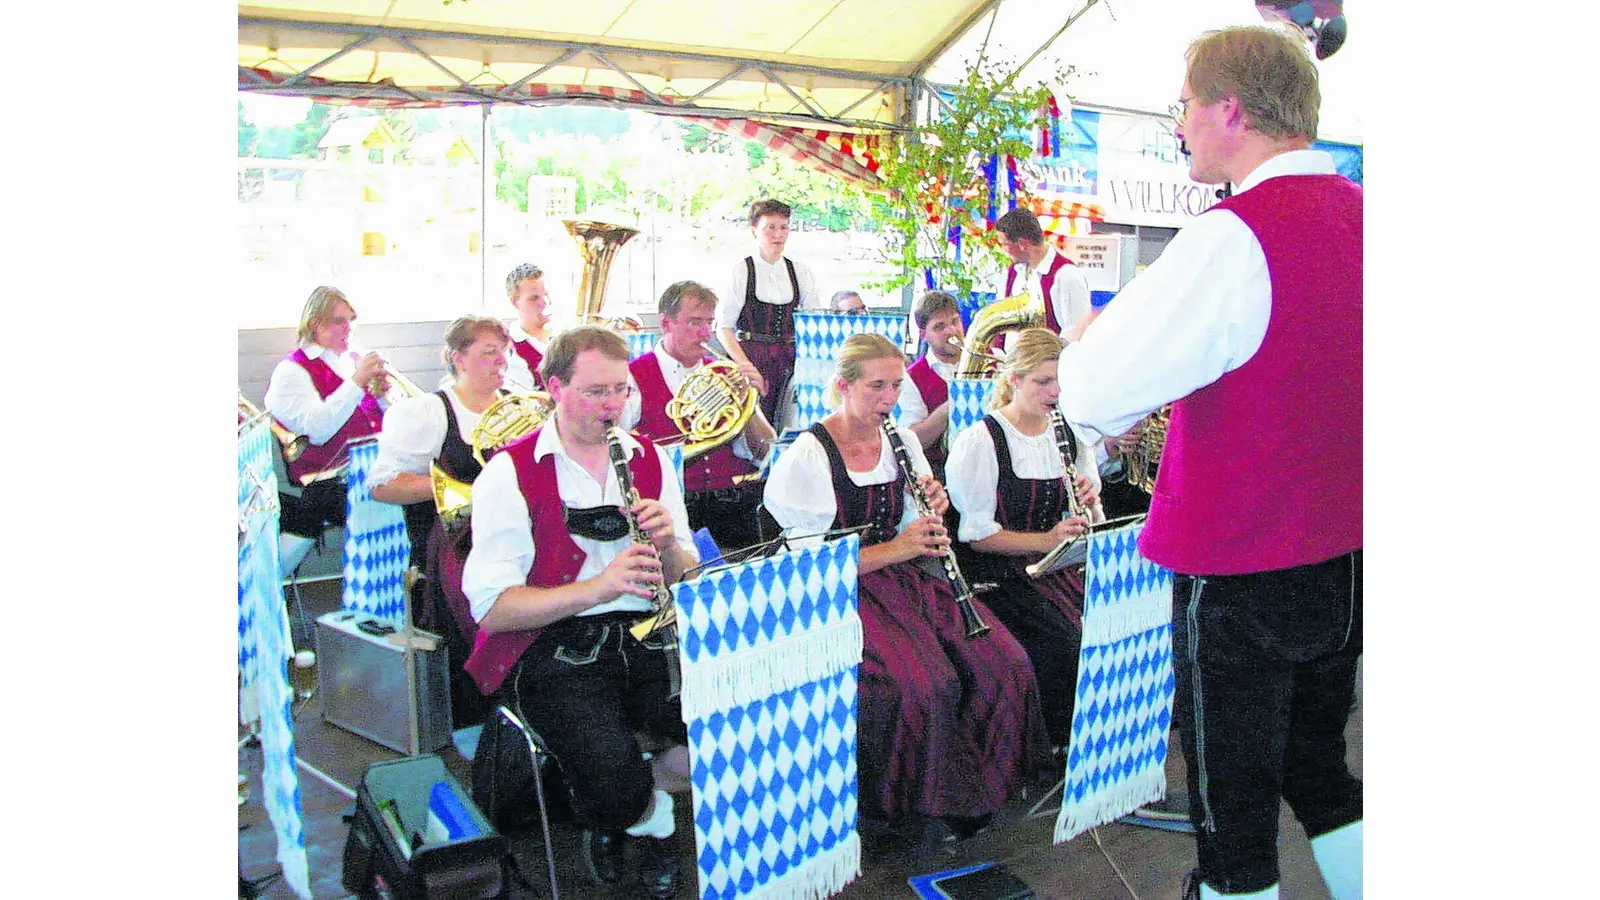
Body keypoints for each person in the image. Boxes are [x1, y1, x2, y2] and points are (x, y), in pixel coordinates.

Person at [1056, 27, 1362, 900]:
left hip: (1246, 566)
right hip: (1348, 554)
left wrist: (1084, 345)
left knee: (1232, 813)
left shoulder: (1232, 235)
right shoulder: (1371, 219)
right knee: (1319, 769)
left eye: (1185, 105)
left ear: (1231, 110)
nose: (1179, 126)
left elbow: (1094, 392)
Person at [763, 332, 1048, 842]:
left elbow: (910, 523)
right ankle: (913, 802)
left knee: (1004, 661)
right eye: (876, 387)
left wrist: (928, 503)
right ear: (842, 386)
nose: (889, 400)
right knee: (922, 684)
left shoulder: (903, 439)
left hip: (907, 581)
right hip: (843, 592)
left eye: (896, 386)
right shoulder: (809, 454)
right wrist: (902, 547)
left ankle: (987, 783)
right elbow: (807, 567)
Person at [461, 325, 697, 899]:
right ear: (553, 387)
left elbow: (686, 572)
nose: (613, 405)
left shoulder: (653, 460)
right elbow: (493, 609)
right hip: (552, 641)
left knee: (713, 734)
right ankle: (626, 817)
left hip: (647, 631)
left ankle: (643, 803)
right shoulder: (508, 473)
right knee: (611, 772)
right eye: (595, 392)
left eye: (620, 389)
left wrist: (668, 545)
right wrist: (597, 587)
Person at [945, 328, 1104, 748]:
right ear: (1014, 380)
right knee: (1068, 644)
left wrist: (1087, 504)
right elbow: (976, 537)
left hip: (1057, 566)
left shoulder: (1069, 432)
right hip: (1003, 575)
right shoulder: (981, 440)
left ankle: (1104, 746)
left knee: (1111, 628)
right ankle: (1061, 746)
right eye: (1043, 382)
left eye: (1060, 382)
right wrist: (1047, 538)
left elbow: (1090, 520)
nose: (1054, 392)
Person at [368, 315, 511, 729]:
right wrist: (458, 487)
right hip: (447, 557)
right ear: (457, 358)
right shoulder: (426, 413)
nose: (500, 360)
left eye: (504, 351)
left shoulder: (516, 405)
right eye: (488, 352)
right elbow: (382, 486)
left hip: (506, 550)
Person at [622, 281, 776, 555]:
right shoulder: (631, 376)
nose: (705, 333)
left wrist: (750, 404)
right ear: (665, 323)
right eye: (695, 322)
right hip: (670, 506)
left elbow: (765, 452)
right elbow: (619, 450)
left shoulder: (725, 375)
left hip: (732, 505)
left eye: (709, 322)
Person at [263, 286, 389, 572]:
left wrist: (381, 398)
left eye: (351, 320)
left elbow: (375, 426)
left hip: (370, 469)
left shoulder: (347, 363)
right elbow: (318, 430)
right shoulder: (293, 371)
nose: (349, 329)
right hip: (327, 483)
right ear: (314, 325)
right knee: (414, 505)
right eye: (339, 321)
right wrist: (356, 384)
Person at [716, 199, 821, 430]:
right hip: (751, 358)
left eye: (784, 227)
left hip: (789, 362)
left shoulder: (800, 272)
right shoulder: (742, 269)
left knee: (790, 423)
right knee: (752, 427)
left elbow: (814, 324)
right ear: (754, 230)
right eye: (770, 227)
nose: (778, 234)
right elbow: (723, 327)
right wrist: (746, 368)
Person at [895, 290, 966, 479]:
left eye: (955, 321)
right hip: (942, 471)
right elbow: (913, 439)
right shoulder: (912, 377)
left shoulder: (994, 357)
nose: (951, 331)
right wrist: (955, 402)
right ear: (923, 335)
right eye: (939, 327)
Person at [994, 208, 1094, 340]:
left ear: (1022, 243)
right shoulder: (1013, 272)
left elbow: (1076, 334)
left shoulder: (1066, 276)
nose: (1003, 250)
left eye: (1005, 244)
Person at [502, 262, 555, 392]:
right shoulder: (511, 351)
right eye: (534, 298)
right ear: (515, 303)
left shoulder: (568, 333)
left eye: (546, 295)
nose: (544, 303)